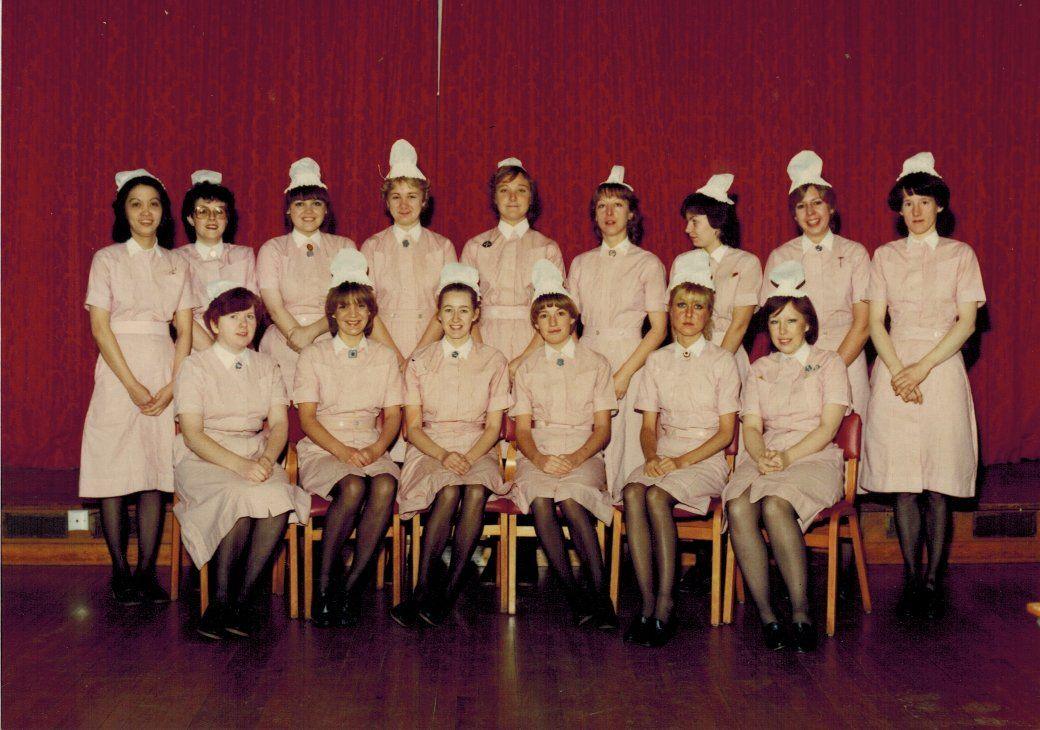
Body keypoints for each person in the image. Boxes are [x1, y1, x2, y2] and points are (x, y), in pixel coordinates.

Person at [861, 152, 985, 620]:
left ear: (939, 207)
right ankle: (911, 576)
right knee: (905, 482)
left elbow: (967, 322)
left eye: (923, 201)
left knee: (937, 479)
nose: (915, 211)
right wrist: (898, 370)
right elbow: (875, 322)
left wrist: (922, 368)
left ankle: (935, 577)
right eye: (907, 202)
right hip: (894, 367)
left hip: (943, 366)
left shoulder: (960, 254)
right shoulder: (884, 256)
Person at [723, 261, 850, 652]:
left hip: (813, 456)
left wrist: (787, 457)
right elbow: (752, 427)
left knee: (777, 505)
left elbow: (828, 428)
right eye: (775, 322)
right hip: (765, 455)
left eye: (790, 322)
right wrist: (761, 456)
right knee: (739, 507)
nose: (781, 331)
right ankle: (768, 617)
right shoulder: (760, 368)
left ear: (807, 325)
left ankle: (799, 611)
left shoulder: (830, 363)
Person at [80, 169, 193, 604]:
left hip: (163, 365)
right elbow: (101, 327)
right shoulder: (106, 260)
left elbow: (183, 332)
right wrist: (130, 383)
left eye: (154, 204)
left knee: (153, 471)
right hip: (117, 370)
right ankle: (120, 571)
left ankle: (147, 572)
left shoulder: (175, 263)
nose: (146, 212)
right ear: (123, 211)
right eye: (136, 203)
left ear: (163, 213)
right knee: (114, 470)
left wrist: (171, 386)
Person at [173, 283, 310, 639]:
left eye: (250, 317)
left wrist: (265, 457)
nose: (244, 324)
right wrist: (240, 466)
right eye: (234, 316)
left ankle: (244, 601)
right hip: (206, 457)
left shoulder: (267, 365)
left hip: (255, 452)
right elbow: (192, 434)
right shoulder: (194, 366)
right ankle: (217, 603)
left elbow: (279, 424)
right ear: (215, 323)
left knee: (277, 498)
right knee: (236, 494)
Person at [620, 252, 740, 646]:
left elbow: (726, 434)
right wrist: (654, 457)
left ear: (709, 314)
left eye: (699, 306)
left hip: (704, 458)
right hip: (665, 453)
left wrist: (679, 461)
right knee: (633, 490)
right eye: (681, 305)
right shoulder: (655, 361)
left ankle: (667, 605)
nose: (689, 314)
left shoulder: (724, 362)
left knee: (656, 497)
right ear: (669, 309)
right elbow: (648, 427)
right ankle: (647, 601)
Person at [390, 264, 514, 628]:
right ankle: (422, 590)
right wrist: (444, 455)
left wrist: (470, 456)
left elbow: (494, 426)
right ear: (438, 314)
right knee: (446, 491)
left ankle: (448, 593)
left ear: (476, 314)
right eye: (448, 310)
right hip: (429, 448)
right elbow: (412, 427)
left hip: (479, 446)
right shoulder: (419, 361)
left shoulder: (494, 360)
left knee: (475, 490)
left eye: (464, 310)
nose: (456, 318)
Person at [295, 250, 404, 627]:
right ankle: (324, 587)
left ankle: (350, 589)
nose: (353, 314)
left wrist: (376, 448)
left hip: (371, 442)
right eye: (344, 307)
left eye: (361, 306)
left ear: (371, 312)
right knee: (355, 486)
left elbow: (393, 415)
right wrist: (342, 451)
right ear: (333, 313)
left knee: (387, 483)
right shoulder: (313, 355)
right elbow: (307, 418)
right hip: (325, 445)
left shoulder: (385, 357)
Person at [513, 261, 619, 628]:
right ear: (536, 324)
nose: (553, 321)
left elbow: (602, 429)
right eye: (544, 315)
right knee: (541, 501)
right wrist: (540, 459)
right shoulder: (526, 370)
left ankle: (600, 597)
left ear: (574, 319)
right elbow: (522, 431)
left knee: (572, 500)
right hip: (538, 451)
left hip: (583, 449)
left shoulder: (597, 363)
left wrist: (574, 458)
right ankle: (575, 596)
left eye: (560, 313)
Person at [566, 165, 668, 494]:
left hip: (632, 360)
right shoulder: (581, 263)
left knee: (627, 445)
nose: (609, 213)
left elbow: (658, 328)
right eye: (601, 206)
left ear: (631, 214)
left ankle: (626, 536)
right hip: (589, 357)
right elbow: (570, 323)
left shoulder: (647, 263)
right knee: (589, 443)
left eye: (618, 205)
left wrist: (624, 375)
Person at [760, 151, 871, 415]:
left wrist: (829, 370)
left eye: (817, 202)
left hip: (847, 361)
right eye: (801, 206)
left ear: (831, 207)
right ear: (794, 215)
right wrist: (806, 371)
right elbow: (774, 320)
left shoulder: (856, 254)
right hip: (795, 366)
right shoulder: (780, 257)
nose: (810, 212)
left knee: (851, 446)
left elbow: (863, 323)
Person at [257, 158, 356, 398]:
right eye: (300, 204)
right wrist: (296, 335)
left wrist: (310, 333)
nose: (309, 211)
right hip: (284, 342)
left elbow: (349, 302)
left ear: (326, 209)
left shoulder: (344, 246)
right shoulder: (273, 249)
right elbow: (273, 304)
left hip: (332, 339)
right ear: (288, 210)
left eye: (316, 203)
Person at [460, 157, 564, 369]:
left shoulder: (547, 248)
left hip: (534, 341)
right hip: (483, 340)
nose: (513, 197)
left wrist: (523, 359)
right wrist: (483, 355)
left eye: (521, 190)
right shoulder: (475, 247)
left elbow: (556, 311)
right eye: (504, 190)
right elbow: (465, 305)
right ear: (494, 198)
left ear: (531, 198)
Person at [361, 139, 457, 366]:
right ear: (386, 202)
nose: (404, 204)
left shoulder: (443, 247)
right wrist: (396, 358)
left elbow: (447, 306)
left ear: (424, 201)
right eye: (396, 197)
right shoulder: (372, 246)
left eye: (412, 196)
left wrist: (416, 358)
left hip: (431, 348)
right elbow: (366, 308)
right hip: (382, 348)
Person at [671, 174, 761, 383]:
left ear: (717, 222)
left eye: (695, 222)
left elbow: (739, 324)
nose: (687, 229)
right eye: (687, 222)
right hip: (686, 354)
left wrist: (715, 367)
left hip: (727, 355)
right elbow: (674, 319)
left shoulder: (746, 263)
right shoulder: (682, 262)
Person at [176, 169, 258, 351]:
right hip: (197, 352)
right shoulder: (177, 259)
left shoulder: (244, 255)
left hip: (241, 350)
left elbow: (252, 310)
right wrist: (217, 357)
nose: (212, 218)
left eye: (219, 211)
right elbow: (181, 318)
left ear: (227, 218)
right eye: (202, 211)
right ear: (190, 218)